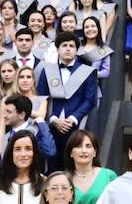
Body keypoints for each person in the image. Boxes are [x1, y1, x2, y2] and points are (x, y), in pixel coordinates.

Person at [37, 34, 98, 164]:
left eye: (72, 46)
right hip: (52, 126)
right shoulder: (47, 71)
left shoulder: (87, 71)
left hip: (77, 126)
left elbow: (89, 100)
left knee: (74, 166)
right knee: (52, 166)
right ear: (58, 49)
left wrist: (72, 119)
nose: (68, 49)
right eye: (64, 45)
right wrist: (53, 119)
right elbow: (42, 98)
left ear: (77, 50)